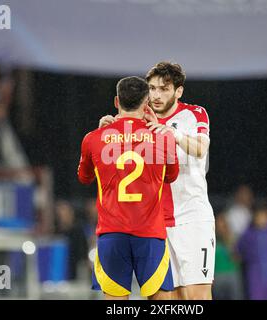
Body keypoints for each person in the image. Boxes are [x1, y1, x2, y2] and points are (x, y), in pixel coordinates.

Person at [99, 62, 215, 300]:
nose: (156, 95)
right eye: (152, 89)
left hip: (192, 218)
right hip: (154, 225)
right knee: (164, 299)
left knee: (195, 297)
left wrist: (175, 135)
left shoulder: (194, 114)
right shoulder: (138, 121)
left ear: (178, 91)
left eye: (164, 89)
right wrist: (107, 132)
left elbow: (201, 148)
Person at [78, 76, 179, 300]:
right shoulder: (164, 139)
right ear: (147, 105)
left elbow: (84, 177)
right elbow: (171, 176)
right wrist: (159, 128)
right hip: (150, 234)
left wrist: (101, 137)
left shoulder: (93, 139)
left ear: (116, 102)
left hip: (111, 234)